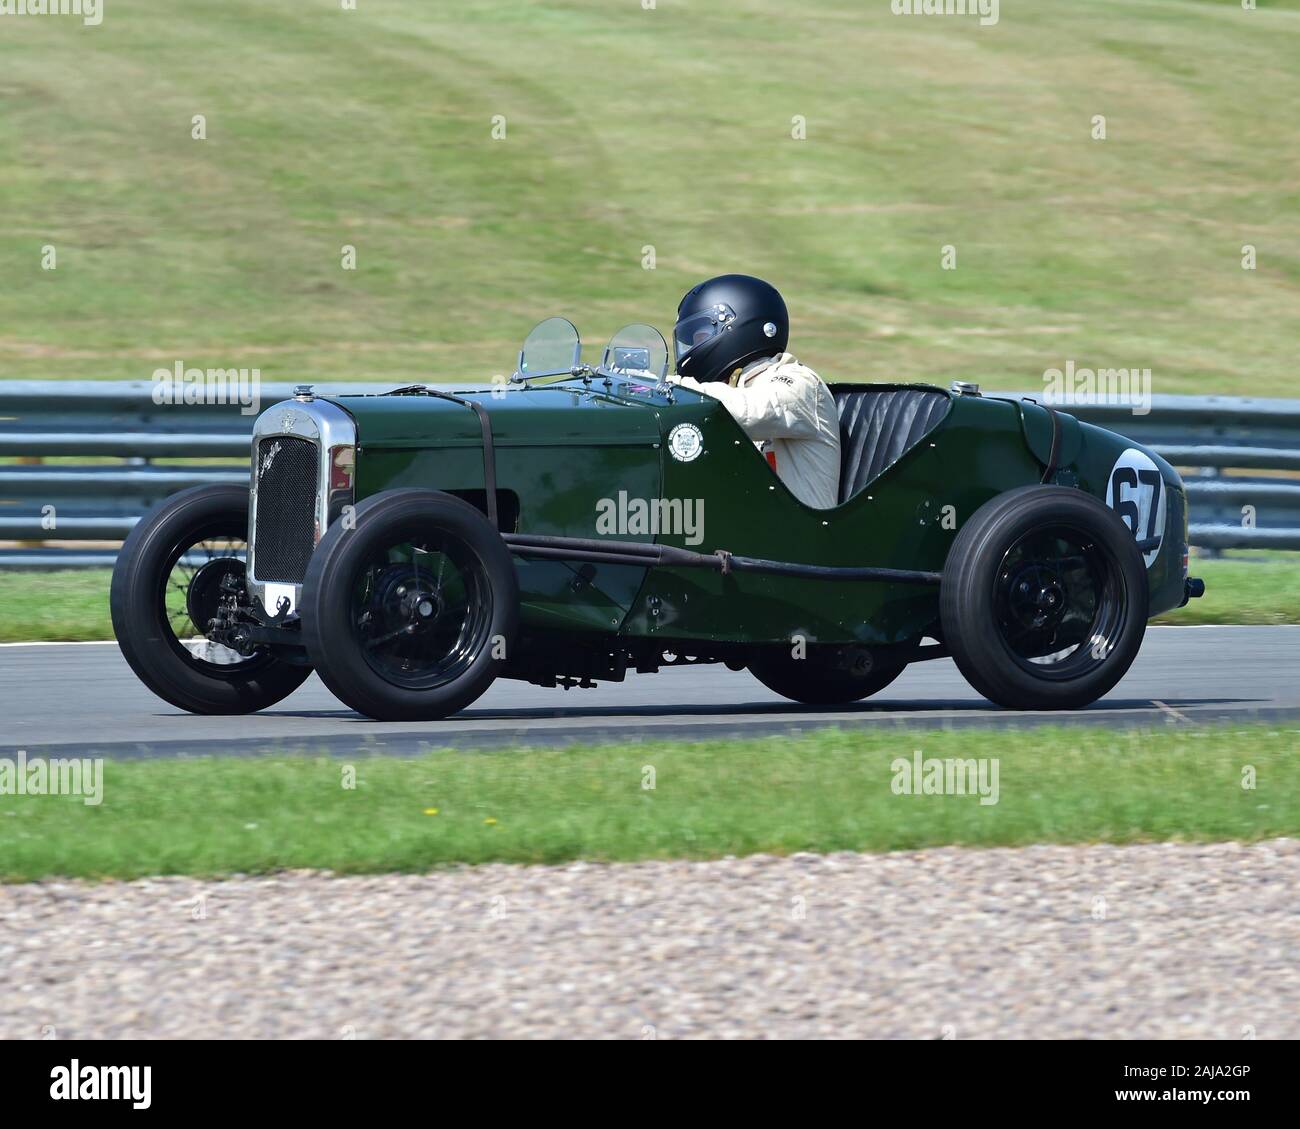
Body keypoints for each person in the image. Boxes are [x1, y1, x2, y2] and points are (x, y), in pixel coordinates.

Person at [668, 274, 841, 509]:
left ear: (737, 327)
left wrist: (665, 387)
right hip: (743, 537)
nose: (693, 347)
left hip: (792, 541)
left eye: (702, 335)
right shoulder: (733, 389)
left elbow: (747, 412)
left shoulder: (801, 383)